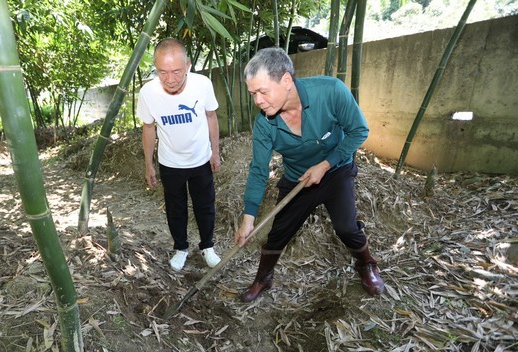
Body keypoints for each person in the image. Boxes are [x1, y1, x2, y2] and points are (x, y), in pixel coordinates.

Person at [234, 47, 384, 302]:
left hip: (336, 170)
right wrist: (248, 218)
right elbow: (259, 170)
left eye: (262, 91)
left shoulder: (330, 91)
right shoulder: (264, 124)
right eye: (252, 94)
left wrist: (326, 164)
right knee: (278, 233)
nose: (258, 101)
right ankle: (263, 279)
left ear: (286, 80)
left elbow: (359, 131)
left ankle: (366, 264)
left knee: (347, 227)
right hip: (298, 180)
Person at [137, 38, 221, 272]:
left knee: (205, 205)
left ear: (188, 66)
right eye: (163, 72)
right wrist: (148, 164)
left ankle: (207, 246)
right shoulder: (148, 92)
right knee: (176, 208)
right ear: (155, 68)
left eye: (176, 71)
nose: (170, 79)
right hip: (170, 162)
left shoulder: (202, 84)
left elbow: (211, 117)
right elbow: (148, 127)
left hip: (200, 159)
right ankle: (181, 248)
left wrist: (216, 152)